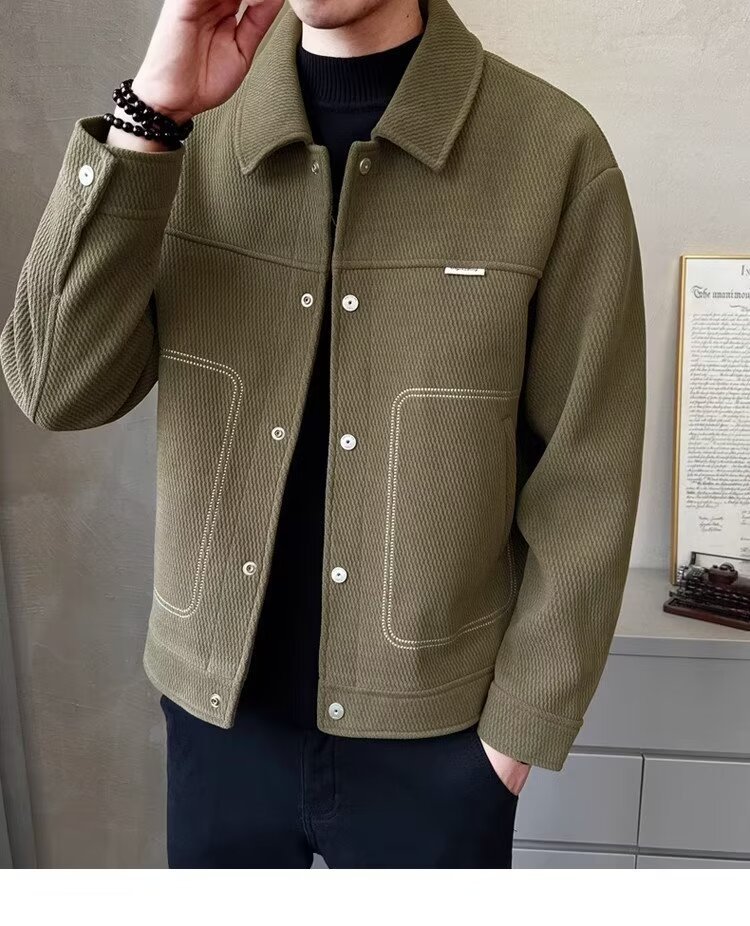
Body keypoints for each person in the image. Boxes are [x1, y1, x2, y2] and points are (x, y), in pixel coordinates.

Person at [0, 0, 647, 868]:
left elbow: (588, 472)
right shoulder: (187, 131)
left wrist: (515, 737)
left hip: (439, 747)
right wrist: (148, 115)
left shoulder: (552, 151)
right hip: (218, 727)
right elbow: (55, 386)